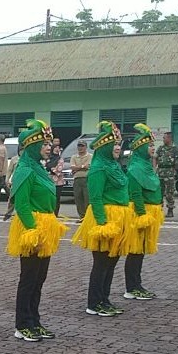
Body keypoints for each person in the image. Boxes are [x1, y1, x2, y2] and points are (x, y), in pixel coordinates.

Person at [6, 120, 68, 341]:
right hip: (32, 227)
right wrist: (34, 231)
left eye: (49, 143)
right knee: (29, 278)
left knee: (39, 278)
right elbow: (22, 205)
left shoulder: (38, 168)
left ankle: (35, 320)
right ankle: (22, 324)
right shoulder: (24, 169)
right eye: (44, 143)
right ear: (32, 145)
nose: (48, 147)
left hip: (45, 225)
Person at [72, 121, 131, 317]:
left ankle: (104, 299)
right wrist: (103, 224)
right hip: (104, 218)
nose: (117, 148)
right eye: (113, 144)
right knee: (101, 263)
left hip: (119, 218)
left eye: (119, 144)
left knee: (112, 261)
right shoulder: (98, 168)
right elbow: (95, 198)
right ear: (104, 146)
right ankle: (94, 302)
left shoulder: (114, 165)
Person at [123, 124, 164, 300]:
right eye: (149, 146)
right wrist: (141, 215)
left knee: (140, 251)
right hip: (141, 213)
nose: (152, 149)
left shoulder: (146, 165)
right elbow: (135, 194)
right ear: (140, 148)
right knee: (135, 250)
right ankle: (131, 287)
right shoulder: (135, 168)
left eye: (153, 145)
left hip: (151, 212)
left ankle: (136, 284)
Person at [155, 130, 178, 218]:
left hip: (170, 173)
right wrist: (155, 168)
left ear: (169, 138)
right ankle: (159, 210)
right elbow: (155, 157)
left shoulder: (175, 149)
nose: (163, 139)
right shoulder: (161, 148)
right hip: (160, 172)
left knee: (169, 193)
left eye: (164, 138)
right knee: (159, 193)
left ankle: (170, 210)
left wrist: (177, 164)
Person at [70, 139, 92, 219]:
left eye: (82, 146)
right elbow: (72, 167)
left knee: (87, 198)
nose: (80, 148)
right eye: (79, 146)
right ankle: (81, 216)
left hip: (87, 179)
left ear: (86, 147)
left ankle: (87, 217)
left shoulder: (90, 156)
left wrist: (77, 168)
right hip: (77, 179)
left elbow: (88, 166)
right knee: (78, 198)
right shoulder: (74, 157)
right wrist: (83, 167)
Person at [46, 137, 65, 216]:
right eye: (55, 148)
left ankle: (55, 214)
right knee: (48, 198)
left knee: (56, 199)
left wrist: (50, 168)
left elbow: (58, 170)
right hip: (48, 182)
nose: (57, 149)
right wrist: (51, 169)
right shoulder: (47, 159)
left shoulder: (60, 159)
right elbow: (44, 168)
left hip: (58, 183)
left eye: (58, 148)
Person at [2, 152, 20, 221]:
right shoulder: (14, 159)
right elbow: (9, 170)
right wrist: (7, 180)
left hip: (25, 181)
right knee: (12, 198)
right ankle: (9, 213)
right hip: (15, 181)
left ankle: (18, 214)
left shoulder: (29, 158)